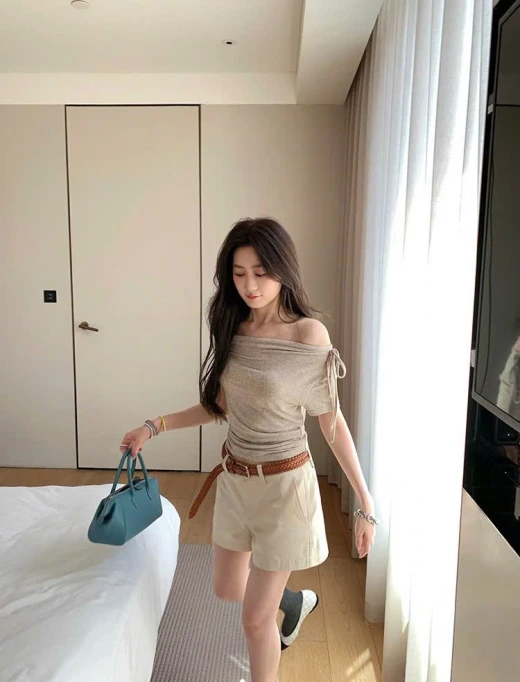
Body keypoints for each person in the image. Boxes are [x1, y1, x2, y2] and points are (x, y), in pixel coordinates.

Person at [120, 218, 376, 682]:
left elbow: (331, 421)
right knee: (227, 589)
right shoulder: (233, 326)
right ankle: (293, 603)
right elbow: (218, 405)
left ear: (283, 269)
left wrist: (365, 499)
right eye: (239, 273)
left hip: (286, 489)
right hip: (236, 483)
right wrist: (153, 426)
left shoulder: (308, 335)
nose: (250, 285)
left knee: (255, 620)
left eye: (260, 272)